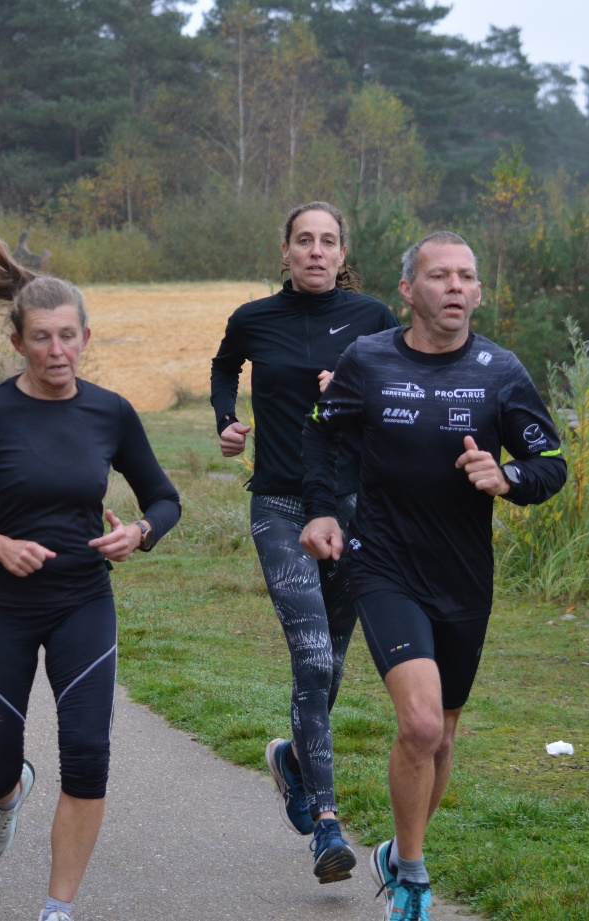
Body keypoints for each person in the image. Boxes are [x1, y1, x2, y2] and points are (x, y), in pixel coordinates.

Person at [0, 229, 180, 921]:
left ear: (87, 336)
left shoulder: (110, 412)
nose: (57, 352)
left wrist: (138, 532)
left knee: (88, 752)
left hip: (83, 598)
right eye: (42, 339)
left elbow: (164, 498)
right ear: (19, 342)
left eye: (69, 337)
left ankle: (57, 909)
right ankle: (5, 794)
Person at [299, 231, 567, 920]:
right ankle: (413, 876)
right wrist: (324, 511)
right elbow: (323, 431)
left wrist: (505, 475)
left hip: (464, 575)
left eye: (466, 276)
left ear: (478, 293)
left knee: (443, 734)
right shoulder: (368, 359)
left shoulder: (500, 371)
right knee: (418, 724)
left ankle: (396, 847)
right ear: (409, 292)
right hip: (383, 561)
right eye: (439, 275)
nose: (454, 286)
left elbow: (551, 465)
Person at [209, 200, 399, 883]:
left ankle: (292, 757)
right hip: (281, 505)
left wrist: (358, 390)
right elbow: (224, 365)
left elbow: (407, 391)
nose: (316, 251)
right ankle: (326, 822)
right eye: (304, 240)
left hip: (355, 510)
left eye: (328, 241)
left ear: (343, 252)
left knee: (332, 666)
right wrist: (228, 419)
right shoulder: (255, 318)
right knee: (312, 657)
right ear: (285, 250)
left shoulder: (376, 320)